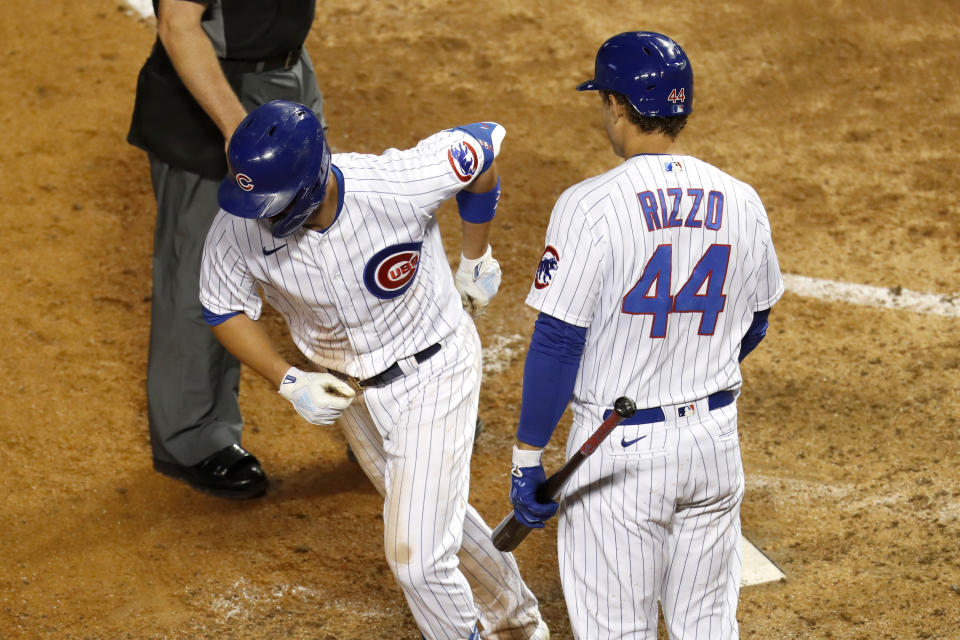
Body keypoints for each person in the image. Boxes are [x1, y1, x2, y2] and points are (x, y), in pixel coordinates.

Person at [199, 99, 549, 640]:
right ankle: (517, 623)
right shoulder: (240, 222)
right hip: (351, 393)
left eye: (273, 201)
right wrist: (288, 379)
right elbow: (222, 305)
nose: (261, 214)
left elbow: (481, 146)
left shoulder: (393, 183)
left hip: (435, 371)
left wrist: (474, 257)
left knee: (417, 559)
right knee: (429, 519)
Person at [505, 32, 783, 639]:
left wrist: (529, 455)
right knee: (708, 626)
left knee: (616, 630)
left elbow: (556, 342)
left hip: (619, 452)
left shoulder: (589, 205)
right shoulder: (743, 199)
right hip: (714, 442)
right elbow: (756, 319)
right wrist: (693, 364)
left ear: (618, 105)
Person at [127, 0, 326, 498]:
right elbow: (178, 24)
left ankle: (379, 400)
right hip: (212, 91)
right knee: (203, 270)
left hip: (288, 79)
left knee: (326, 242)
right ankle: (195, 438)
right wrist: (241, 133)